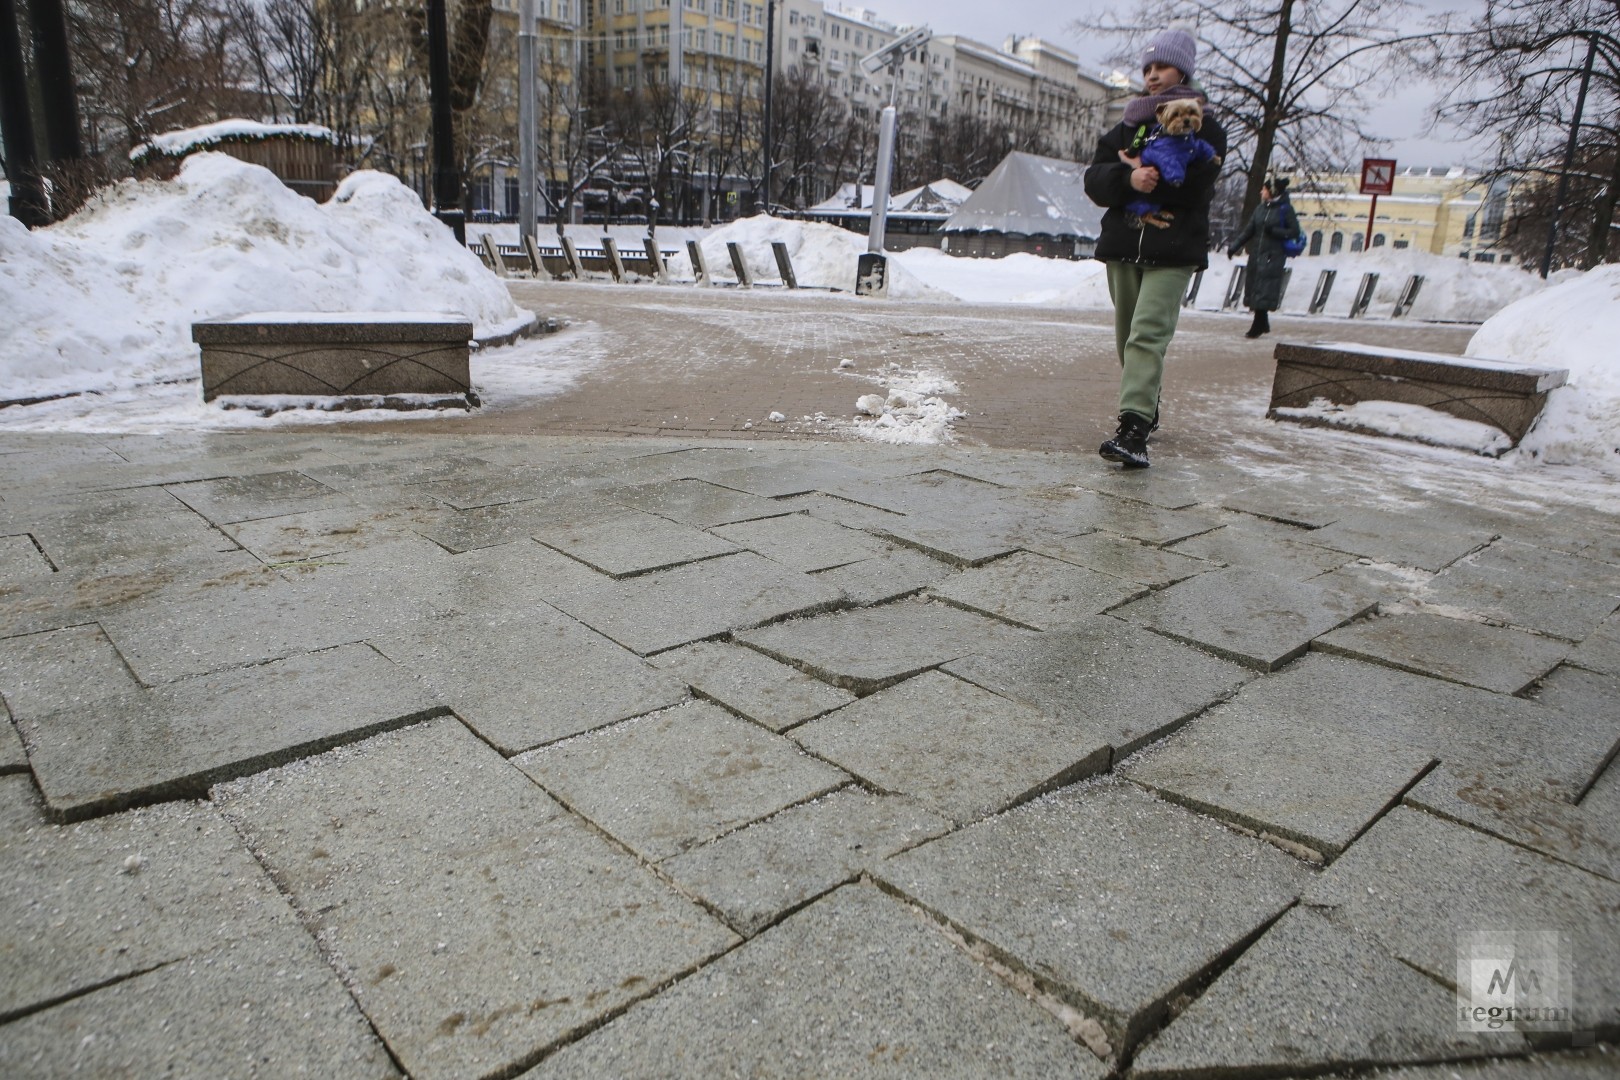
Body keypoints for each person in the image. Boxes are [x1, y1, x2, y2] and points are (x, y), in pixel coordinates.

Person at [1084, 27, 1227, 469]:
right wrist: (1128, 179)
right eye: (1146, 68)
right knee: (1129, 340)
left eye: (1160, 66)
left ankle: (1134, 430)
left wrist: (1151, 178)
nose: (1151, 75)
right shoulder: (1128, 126)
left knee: (1148, 333)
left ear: (1182, 69)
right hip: (1124, 245)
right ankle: (1147, 405)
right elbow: (1095, 180)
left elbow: (1199, 186)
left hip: (1173, 249)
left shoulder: (1202, 123)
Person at [1228, 178, 1301, 338]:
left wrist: (1275, 231)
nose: (1261, 192)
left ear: (1272, 192)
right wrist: (1234, 247)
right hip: (1257, 255)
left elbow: (1294, 231)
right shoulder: (1260, 209)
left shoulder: (1285, 209)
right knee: (1255, 287)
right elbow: (1249, 230)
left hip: (1273, 256)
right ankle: (1262, 323)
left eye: (1265, 189)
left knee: (1263, 289)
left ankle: (1258, 325)